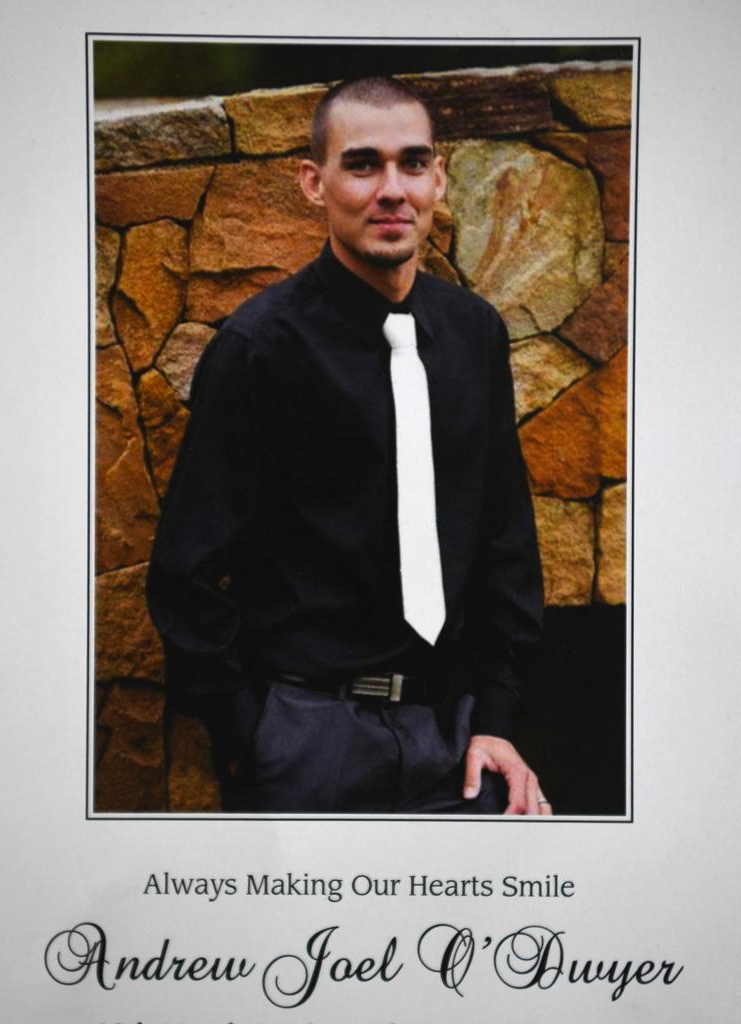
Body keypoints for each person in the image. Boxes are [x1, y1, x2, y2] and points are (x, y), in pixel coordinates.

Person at [146, 76, 551, 816]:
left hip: (455, 736)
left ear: (437, 177)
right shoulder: (259, 349)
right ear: (314, 182)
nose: (391, 189)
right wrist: (252, 730)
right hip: (308, 738)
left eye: (412, 163)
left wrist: (496, 717)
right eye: (363, 164)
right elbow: (187, 571)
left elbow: (503, 539)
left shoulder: (474, 334)